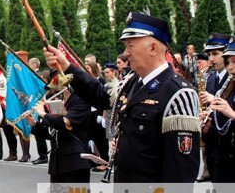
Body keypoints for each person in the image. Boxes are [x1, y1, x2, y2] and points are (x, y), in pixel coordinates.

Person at [44, 12, 200, 182]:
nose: (125, 53)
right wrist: (66, 66)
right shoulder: (130, 82)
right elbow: (99, 96)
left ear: (153, 48)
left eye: (130, 46)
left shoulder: (178, 92)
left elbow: (181, 170)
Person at [26, 86, 92, 183]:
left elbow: (64, 123)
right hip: (58, 163)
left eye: (62, 80)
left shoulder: (81, 100)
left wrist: (43, 114)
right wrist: (34, 124)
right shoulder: (58, 102)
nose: (59, 84)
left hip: (75, 162)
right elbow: (53, 132)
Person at [199, 33, 231, 182]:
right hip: (212, 143)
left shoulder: (232, 78)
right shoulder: (210, 78)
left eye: (215, 54)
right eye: (209, 54)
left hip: (228, 145)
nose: (211, 59)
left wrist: (214, 100)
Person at [206, 36, 235, 183]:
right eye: (228, 62)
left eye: (234, 62)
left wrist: (231, 113)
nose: (230, 67)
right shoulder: (229, 84)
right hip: (220, 149)